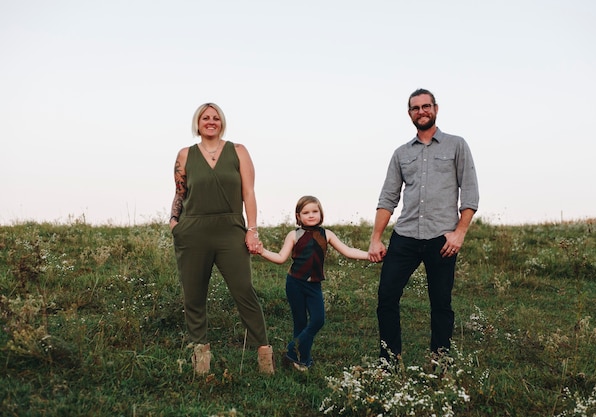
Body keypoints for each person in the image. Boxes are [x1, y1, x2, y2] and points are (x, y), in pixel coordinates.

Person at [368, 88, 479, 361]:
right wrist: (376, 238)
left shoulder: (457, 145)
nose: (422, 111)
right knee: (386, 298)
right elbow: (388, 197)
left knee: (441, 303)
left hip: (442, 239)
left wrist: (459, 233)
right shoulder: (401, 153)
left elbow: (470, 192)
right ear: (410, 114)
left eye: (426, 106)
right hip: (405, 236)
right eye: (416, 108)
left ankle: (439, 361)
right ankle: (389, 361)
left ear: (436, 109)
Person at [169, 102, 274, 375]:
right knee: (194, 296)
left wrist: (252, 229)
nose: (211, 121)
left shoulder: (238, 151)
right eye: (206, 117)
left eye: (216, 117)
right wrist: (174, 223)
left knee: (244, 291)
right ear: (198, 122)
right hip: (193, 231)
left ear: (221, 122)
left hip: (230, 229)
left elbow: (248, 193)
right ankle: (201, 359)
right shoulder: (184, 155)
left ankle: (264, 355)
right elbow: (180, 193)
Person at [256, 196, 369, 371]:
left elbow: (348, 251)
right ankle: (302, 362)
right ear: (298, 216)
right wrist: (262, 251)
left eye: (314, 211)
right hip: (294, 283)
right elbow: (280, 258)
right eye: (306, 212)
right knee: (300, 323)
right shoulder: (294, 235)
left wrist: (370, 255)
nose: (311, 215)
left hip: (314, 285)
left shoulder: (327, 234)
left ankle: (291, 351)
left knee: (318, 320)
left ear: (321, 213)